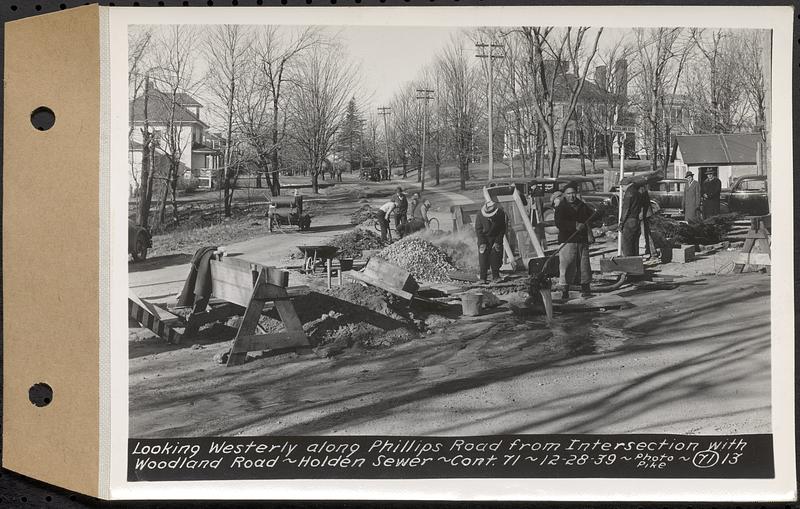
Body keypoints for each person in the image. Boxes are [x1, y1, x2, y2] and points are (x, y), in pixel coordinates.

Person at [554, 183, 595, 299]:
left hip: (582, 240)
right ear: (564, 195)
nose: (571, 196)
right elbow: (559, 223)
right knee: (567, 266)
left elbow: (590, 217)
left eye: (573, 193)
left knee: (584, 265)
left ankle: (586, 289)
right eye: (568, 194)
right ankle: (564, 291)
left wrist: (598, 214)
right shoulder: (561, 208)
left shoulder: (582, 205)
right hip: (568, 240)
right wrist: (574, 225)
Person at [474, 199, 507, 284]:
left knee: (495, 256)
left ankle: (496, 276)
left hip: (496, 237)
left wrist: (498, 241)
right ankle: (483, 278)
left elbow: (502, 229)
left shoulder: (501, 214)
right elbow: (478, 230)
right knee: (483, 257)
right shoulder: (480, 214)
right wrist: (482, 242)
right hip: (484, 238)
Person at [619, 181, 645, 256]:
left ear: (624, 185)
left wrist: (621, 223)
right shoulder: (637, 192)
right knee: (634, 244)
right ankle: (636, 262)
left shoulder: (628, 193)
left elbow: (626, 209)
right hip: (636, 220)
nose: (622, 190)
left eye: (622, 187)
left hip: (629, 221)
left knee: (627, 245)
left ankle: (629, 263)